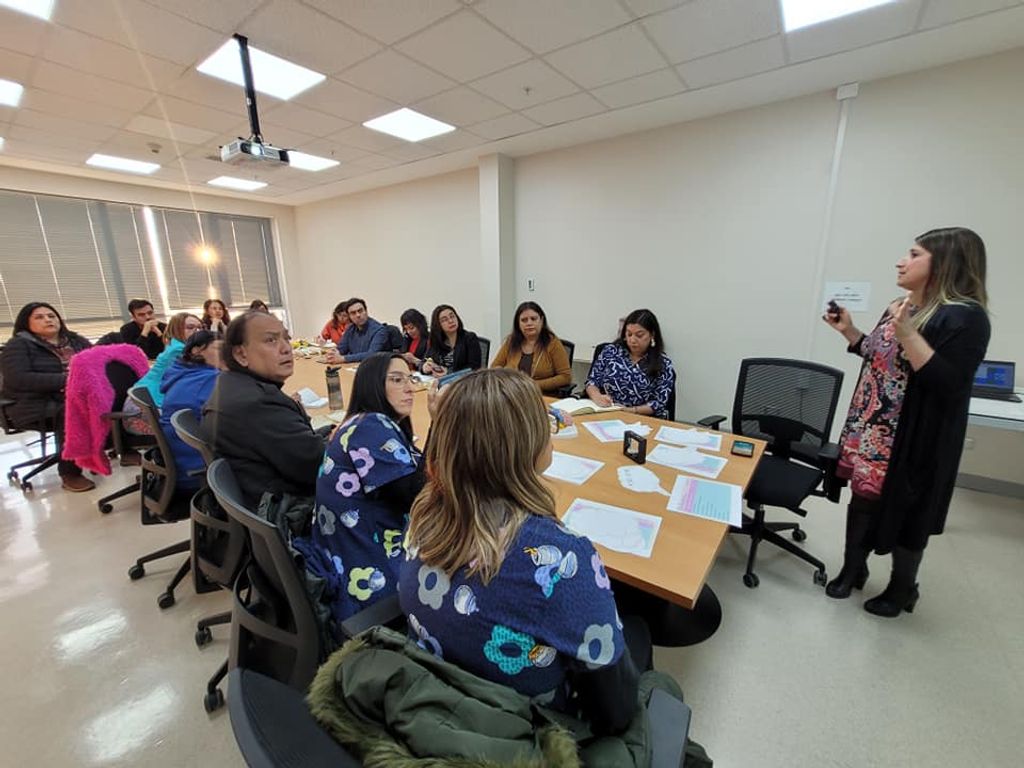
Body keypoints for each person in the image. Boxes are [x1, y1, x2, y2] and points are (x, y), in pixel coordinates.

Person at [400, 368, 643, 735]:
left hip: (441, 703)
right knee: (639, 633)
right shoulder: (564, 558)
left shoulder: (424, 513)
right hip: (527, 733)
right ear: (523, 443)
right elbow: (616, 711)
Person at [823, 227, 990, 617]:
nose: (902, 260)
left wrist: (909, 334)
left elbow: (948, 383)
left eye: (914, 254)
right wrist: (848, 330)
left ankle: (902, 589)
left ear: (944, 263)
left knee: (912, 511)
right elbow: (880, 357)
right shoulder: (901, 305)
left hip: (914, 439)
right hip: (872, 429)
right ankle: (853, 569)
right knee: (862, 500)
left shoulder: (967, 319)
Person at [293, 353, 427, 625]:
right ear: (373, 385)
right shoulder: (371, 427)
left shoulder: (360, 421)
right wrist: (440, 424)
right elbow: (418, 496)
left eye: (410, 378)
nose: (410, 387)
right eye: (397, 379)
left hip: (345, 549)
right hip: (370, 569)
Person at [202, 311, 325, 506]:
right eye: (271, 340)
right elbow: (318, 466)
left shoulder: (231, 383)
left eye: (286, 338)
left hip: (258, 495)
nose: (286, 348)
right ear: (241, 354)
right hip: (291, 510)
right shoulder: (258, 404)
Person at [1, 302, 94, 491]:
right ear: (26, 323)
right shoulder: (18, 345)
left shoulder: (75, 340)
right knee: (71, 411)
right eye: (39, 317)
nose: (48, 320)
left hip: (79, 395)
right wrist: (67, 380)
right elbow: (19, 379)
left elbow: (97, 360)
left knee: (118, 398)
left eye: (51, 316)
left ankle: (125, 449)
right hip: (35, 403)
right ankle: (69, 472)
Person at [158, 331, 223, 490]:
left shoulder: (183, 371)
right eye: (219, 349)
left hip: (184, 460)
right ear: (196, 350)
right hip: (201, 468)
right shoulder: (208, 379)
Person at [584, 308, 676, 418]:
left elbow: (659, 404)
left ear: (652, 335)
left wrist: (630, 411)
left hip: (641, 418)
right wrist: (597, 396)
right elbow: (592, 381)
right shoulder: (610, 351)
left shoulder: (663, 363)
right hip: (607, 412)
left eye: (639, 335)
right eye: (629, 334)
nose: (632, 340)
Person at [490, 301, 571, 394]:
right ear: (518, 324)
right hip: (513, 394)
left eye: (533, 319)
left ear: (541, 320)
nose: (529, 323)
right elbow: (494, 368)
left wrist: (533, 385)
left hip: (541, 395)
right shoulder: (511, 341)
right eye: (524, 320)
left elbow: (565, 377)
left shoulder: (552, 343)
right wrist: (508, 382)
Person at [133, 313, 204, 410]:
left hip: (147, 399)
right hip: (146, 405)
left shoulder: (177, 344)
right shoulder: (179, 349)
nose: (197, 331)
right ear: (177, 329)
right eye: (190, 327)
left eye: (200, 328)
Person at [420, 304, 482, 377]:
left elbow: (474, 368)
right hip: (440, 380)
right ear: (438, 325)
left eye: (452, 316)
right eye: (444, 320)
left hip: (463, 382)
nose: (450, 321)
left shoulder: (469, 338)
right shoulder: (437, 341)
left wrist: (449, 372)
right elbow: (425, 360)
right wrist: (424, 367)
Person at [325, 298, 389, 364]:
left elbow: (372, 354)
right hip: (352, 367)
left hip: (371, 368)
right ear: (349, 316)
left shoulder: (379, 330)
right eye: (353, 313)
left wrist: (343, 359)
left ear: (366, 311)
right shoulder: (350, 329)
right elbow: (341, 348)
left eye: (360, 311)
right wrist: (333, 354)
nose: (358, 315)